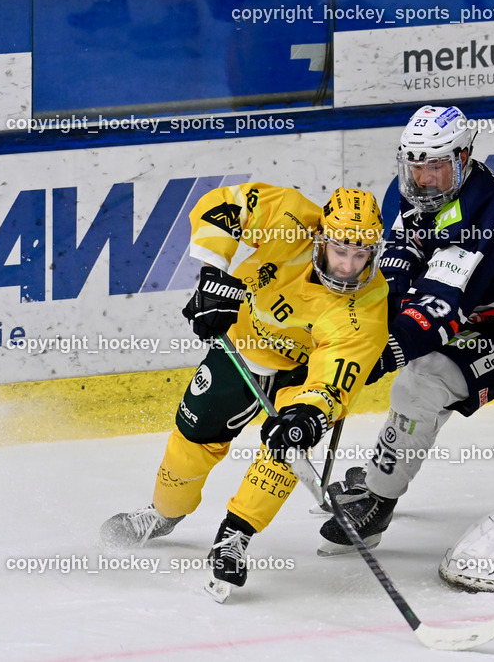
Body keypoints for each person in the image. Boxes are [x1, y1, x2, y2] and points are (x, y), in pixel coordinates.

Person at [100, 184, 389, 600]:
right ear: (320, 236)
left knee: (287, 448)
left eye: (360, 255)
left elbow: (333, 381)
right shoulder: (291, 218)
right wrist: (214, 273)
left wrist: (309, 414)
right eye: (339, 250)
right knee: (193, 438)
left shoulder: (368, 304)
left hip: (301, 371)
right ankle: (164, 512)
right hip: (242, 344)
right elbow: (220, 205)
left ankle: (235, 535)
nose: (347, 266)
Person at [316, 104, 494, 555]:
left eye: (437, 167)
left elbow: (437, 311)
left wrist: (378, 353)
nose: (423, 178)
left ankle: (377, 504)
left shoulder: (490, 214)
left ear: (463, 159)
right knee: (421, 382)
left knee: (421, 382)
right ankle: (382, 474)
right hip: (476, 317)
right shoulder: (417, 191)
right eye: (416, 166)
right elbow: (399, 267)